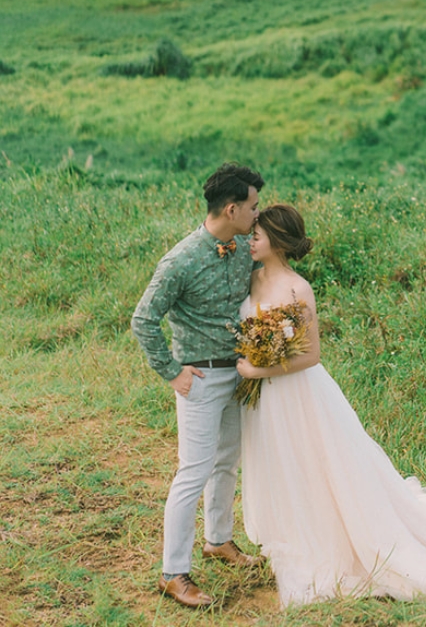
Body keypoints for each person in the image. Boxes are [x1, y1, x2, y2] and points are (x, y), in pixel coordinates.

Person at [237, 204, 426, 606]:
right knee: (282, 466)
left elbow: (310, 356)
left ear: (278, 239)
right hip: (267, 403)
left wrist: (258, 370)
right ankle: (290, 536)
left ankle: (333, 543)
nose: (250, 239)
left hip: (299, 394)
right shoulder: (249, 278)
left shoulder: (297, 289)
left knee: (317, 466)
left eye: (257, 234)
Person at [131, 163, 266, 609]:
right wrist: (173, 371)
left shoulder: (246, 245)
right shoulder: (181, 260)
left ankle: (219, 541)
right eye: (252, 207)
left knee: (227, 462)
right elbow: (143, 320)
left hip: (240, 374)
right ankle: (173, 573)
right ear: (231, 208)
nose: (256, 214)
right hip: (200, 378)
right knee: (194, 471)